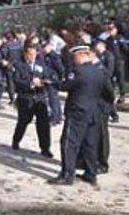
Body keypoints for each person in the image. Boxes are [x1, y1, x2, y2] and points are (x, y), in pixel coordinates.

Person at [49, 45, 114, 186]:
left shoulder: (78, 71)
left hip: (77, 112)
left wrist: (50, 83)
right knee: (90, 144)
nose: (73, 59)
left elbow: (65, 86)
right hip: (94, 113)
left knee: (69, 143)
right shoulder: (100, 71)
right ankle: (91, 173)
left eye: (75, 56)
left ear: (83, 55)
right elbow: (109, 93)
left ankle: (67, 174)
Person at [11, 42, 52, 157]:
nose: (32, 56)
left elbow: (48, 77)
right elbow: (16, 81)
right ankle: (16, 140)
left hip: (40, 98)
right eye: (30, 54)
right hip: (26, 98)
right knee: (23, 122)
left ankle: (45, 148)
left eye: (34, 54)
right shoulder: (18, 65)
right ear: (25, 54)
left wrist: (43, 83)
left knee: (43, 124)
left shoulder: (41, 65)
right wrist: (30, 84)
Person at [93, 39, 119, 123]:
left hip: (108, 80)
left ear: (101, 45)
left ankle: (114, 114)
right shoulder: (98, 55)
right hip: (100, 79)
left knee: (109, 98)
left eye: (97, 45)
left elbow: (110, 70)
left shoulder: (108, 55)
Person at [42, 42, 65, 126]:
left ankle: (55, 118)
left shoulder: (54, 56)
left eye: (45, 47)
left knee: (53, 99)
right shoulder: (47, 55)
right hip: (48, 79)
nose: (44, 49)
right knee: (54, 99)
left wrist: (60, 78)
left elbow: (60, 68)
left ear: (50, 47)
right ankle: (58, 116)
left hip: (53, 80)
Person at [104, 22, 127, 104]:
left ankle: (122, 96)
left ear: (116, 30)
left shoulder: (120, 38)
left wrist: (122, 58)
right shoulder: (107, 40)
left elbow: (125, 48)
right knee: (110, 79)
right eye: (109, 29)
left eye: (112, 29)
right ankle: (111, 95)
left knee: (120, 78)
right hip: (111, 62)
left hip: (119, 61)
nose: (110, 31)